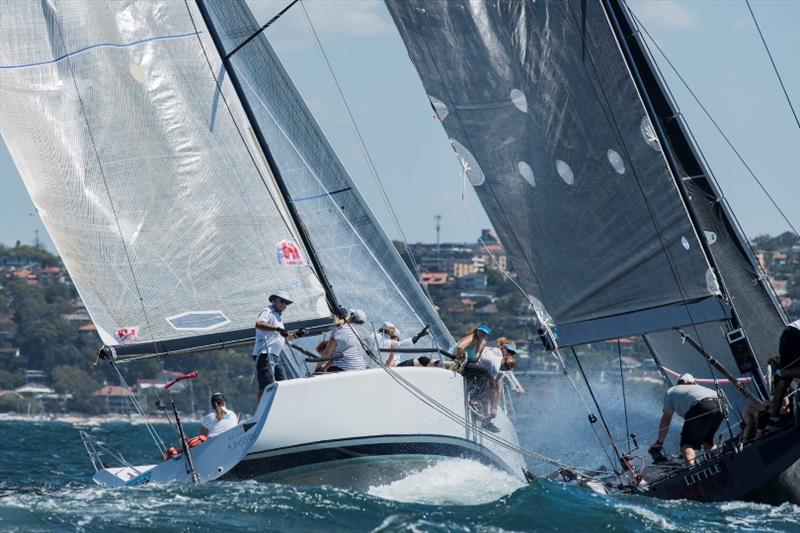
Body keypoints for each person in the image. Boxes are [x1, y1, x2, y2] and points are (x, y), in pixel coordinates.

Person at [650, 374, 724, 465]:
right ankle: (721, 460)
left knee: (687, 444)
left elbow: (666, 419)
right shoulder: (699, 387)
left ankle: (692, 469)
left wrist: (659, 442)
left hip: (701, 405)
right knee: (707, 441)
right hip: (720, 405)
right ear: (693, 382)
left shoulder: (672, 391)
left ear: (678, 383)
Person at [253, 291, 304, 402]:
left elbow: (283, 338)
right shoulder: (267, 311)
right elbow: (259, 324)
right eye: (282, 301)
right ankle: (260, 413)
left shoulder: (278, 317)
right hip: (264, 354)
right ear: (274, 300)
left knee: (282, 384)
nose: (284, 304)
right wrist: (277, 328)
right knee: (267, 386)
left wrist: (297, 335)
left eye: (286, 303)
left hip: (275, 355)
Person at [464, 337, 518, 433]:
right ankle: (475, 400)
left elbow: (497, 386)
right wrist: (494, 408)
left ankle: (486, 417)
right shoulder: (496, 362)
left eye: (512, 353)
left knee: (492, 381)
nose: (510, 353)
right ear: (503, 348)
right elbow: (494, 386)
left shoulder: (498, 356)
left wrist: (494, 406)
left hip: (475, 367)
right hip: (468, 365)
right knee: (488, 380)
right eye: (509, 351)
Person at [768, 319, 800, 426]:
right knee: (787, 375)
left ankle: (774, 417)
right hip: (796, 335)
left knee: (784, 382)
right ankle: (781, 372)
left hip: (788, 332)